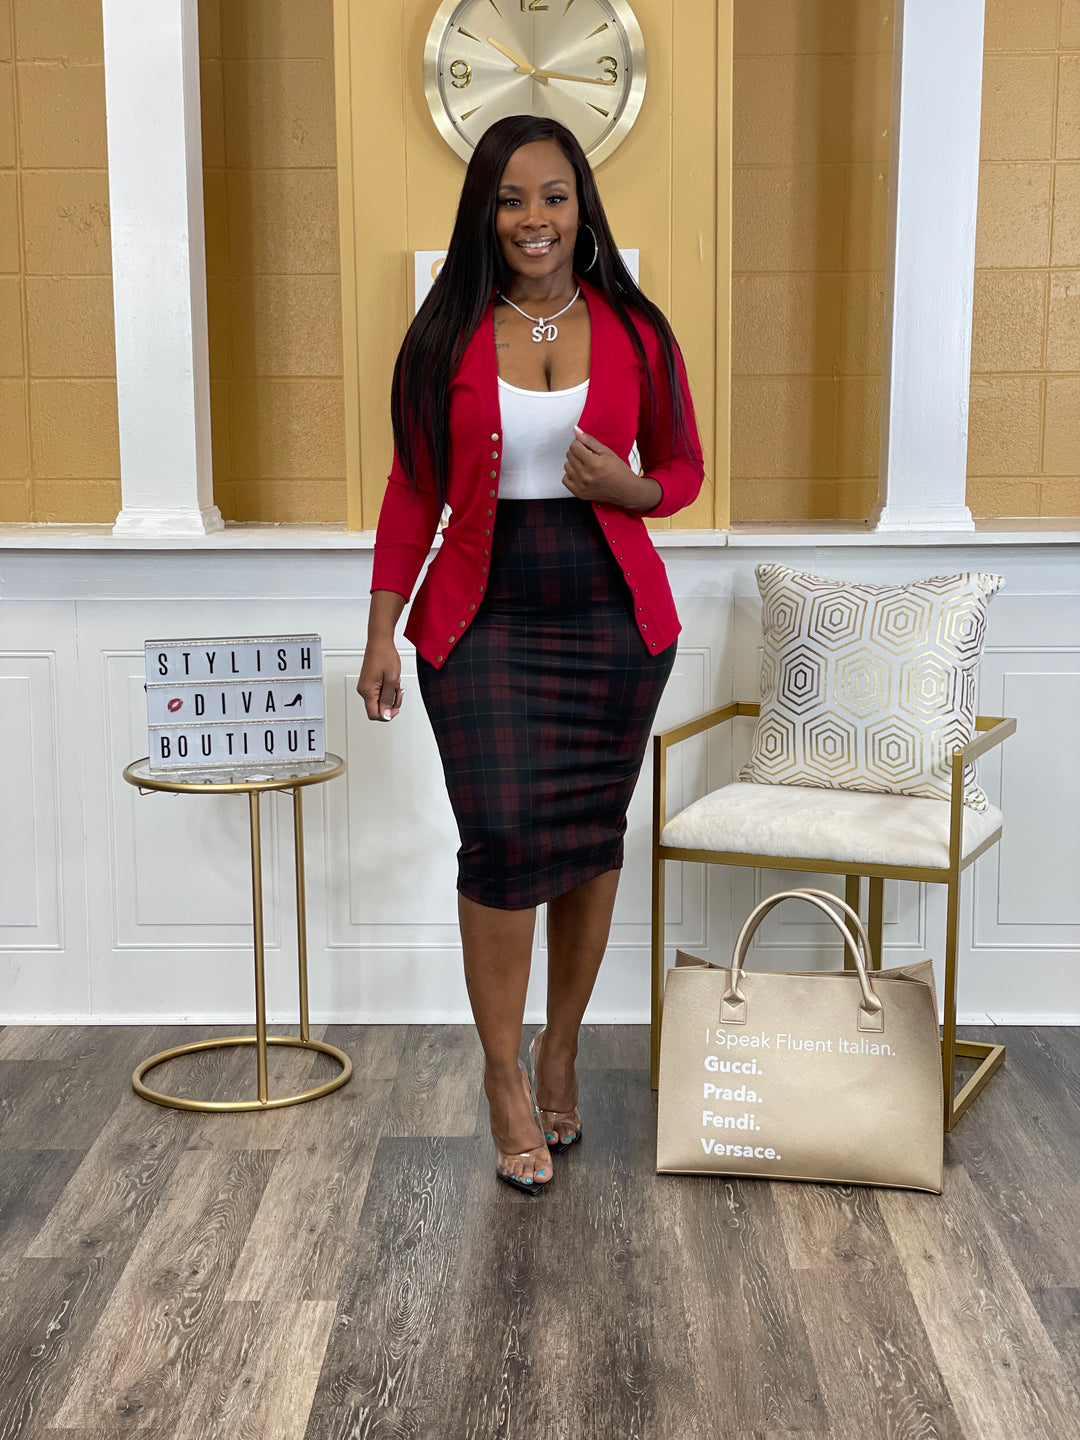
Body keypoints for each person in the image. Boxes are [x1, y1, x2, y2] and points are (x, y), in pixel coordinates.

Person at [357, 114, 703, 1194]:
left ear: (580, 206)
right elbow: (415, 486)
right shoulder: (441, 336)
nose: (534, 219)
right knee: (503, 841)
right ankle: (505, 1074)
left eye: (553, 196)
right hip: (482, 616)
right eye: (511, 200)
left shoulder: (637, 329)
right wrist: (381, 626)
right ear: (485, 214)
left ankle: (563, 1047)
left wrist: (630, 491)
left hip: (611, 617)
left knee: (588, 839)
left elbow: (683, 469)